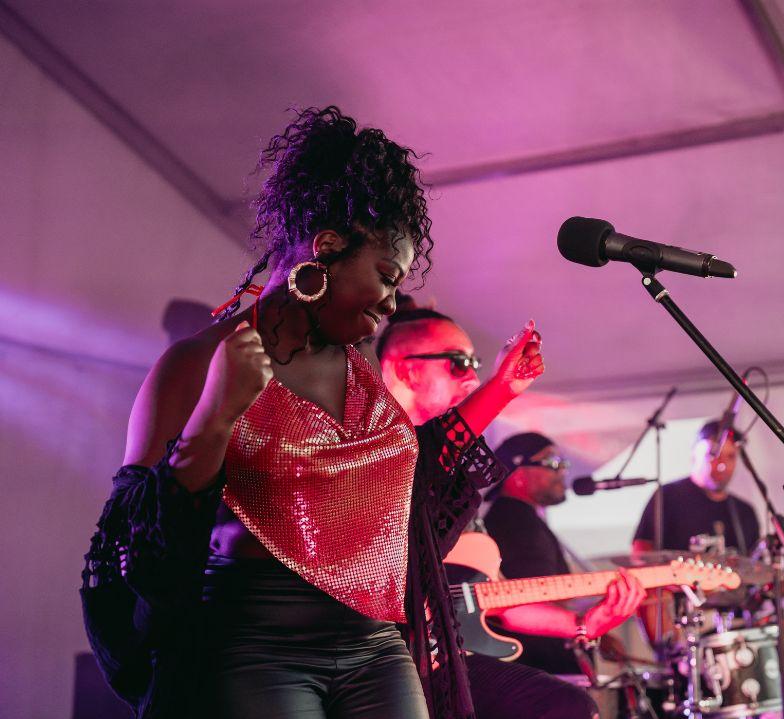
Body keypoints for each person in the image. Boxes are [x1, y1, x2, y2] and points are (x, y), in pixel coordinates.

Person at [80, 106, 543, 719]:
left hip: (377, 648)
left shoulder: (366, 377)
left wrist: (501, 389)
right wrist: (215, 417)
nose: (390, 302)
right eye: (384, 275)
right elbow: (139, 548)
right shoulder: (197, 363)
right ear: (325, 247)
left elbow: (416, 485)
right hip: (255, 647)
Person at [378, 308, 644, 719]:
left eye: (475, 365)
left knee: (569, 705)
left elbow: (495, 597)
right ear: (407, 371)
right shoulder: (373, 457)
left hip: (442, 657)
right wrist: (501, 387)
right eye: (458, 363)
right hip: (382, 662)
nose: (471, 377)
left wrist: (586, 624)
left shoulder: (454, 486)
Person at [484, 432, 646, 677]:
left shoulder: (518, 517)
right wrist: (585, 627)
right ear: (516, 474)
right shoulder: (516, 522)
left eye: (562, 463)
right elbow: (537, 596)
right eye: (552, 463)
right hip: (541, 669)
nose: (562, 471)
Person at [632, 419, 760, 556]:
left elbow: (757, 567)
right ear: (694, 455)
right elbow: (641, 552)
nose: (722, 465)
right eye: (714, 454)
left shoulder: (745, 511)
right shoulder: (667, 496)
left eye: (731, 456)